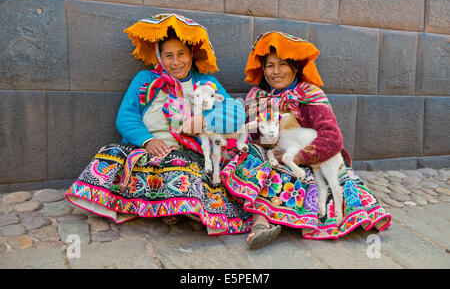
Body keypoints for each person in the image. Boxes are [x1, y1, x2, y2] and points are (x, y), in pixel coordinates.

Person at [65, 13, 252, 235]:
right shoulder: (145, 81)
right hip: (150, 151)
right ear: (159, 57)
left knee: (187, 166)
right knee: (110, 155)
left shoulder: (207, 83)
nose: (175, 62)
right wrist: (147, 140)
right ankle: (174, 207)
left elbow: (235, 113)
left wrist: (204, 120)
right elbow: (126, 116)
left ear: (191, 54)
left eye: (181, 54)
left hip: (190, 153)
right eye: (168, 55)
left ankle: (179, 207)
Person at [220, 31, 392, 249]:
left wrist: (298, 157)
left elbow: (332, 139)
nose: (276, 71)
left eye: (282, 64)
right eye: (270, 65)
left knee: (322, 184)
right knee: (251, 158)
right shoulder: (256, 96)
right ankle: (261, 225)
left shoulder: (309, 94)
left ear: (295, 67)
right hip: (269, 158)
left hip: (309, 162)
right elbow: (250, 133)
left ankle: (275, 220)